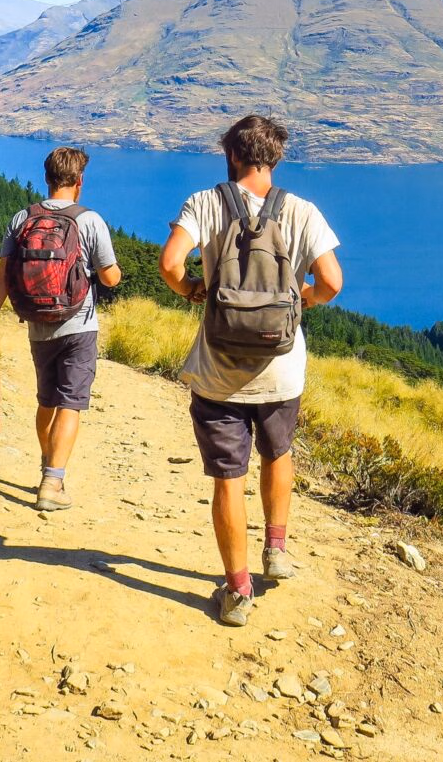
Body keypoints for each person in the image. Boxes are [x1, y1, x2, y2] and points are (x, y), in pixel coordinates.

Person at [159, 114, 342, 627]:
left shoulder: (205, 203)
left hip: (218, 371)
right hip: (281, 368)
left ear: (233, 154)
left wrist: (192, 289)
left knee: (227, 478)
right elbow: (332, 282)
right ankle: (276, 549)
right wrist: (303, 300)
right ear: (274, 157)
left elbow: (170, 263)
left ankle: (238, 591)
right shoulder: (302, 211)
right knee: (278, 453)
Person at [0, 147, 121, 511]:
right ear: (79, 182)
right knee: (71, 402)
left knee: (46, 400)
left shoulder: (23, 218)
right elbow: (110, 278)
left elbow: (3, 276)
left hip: (38, 326)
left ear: (47, 179)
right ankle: (53, 481)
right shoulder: (89, 220)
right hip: (79, 325)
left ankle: (47, 462)